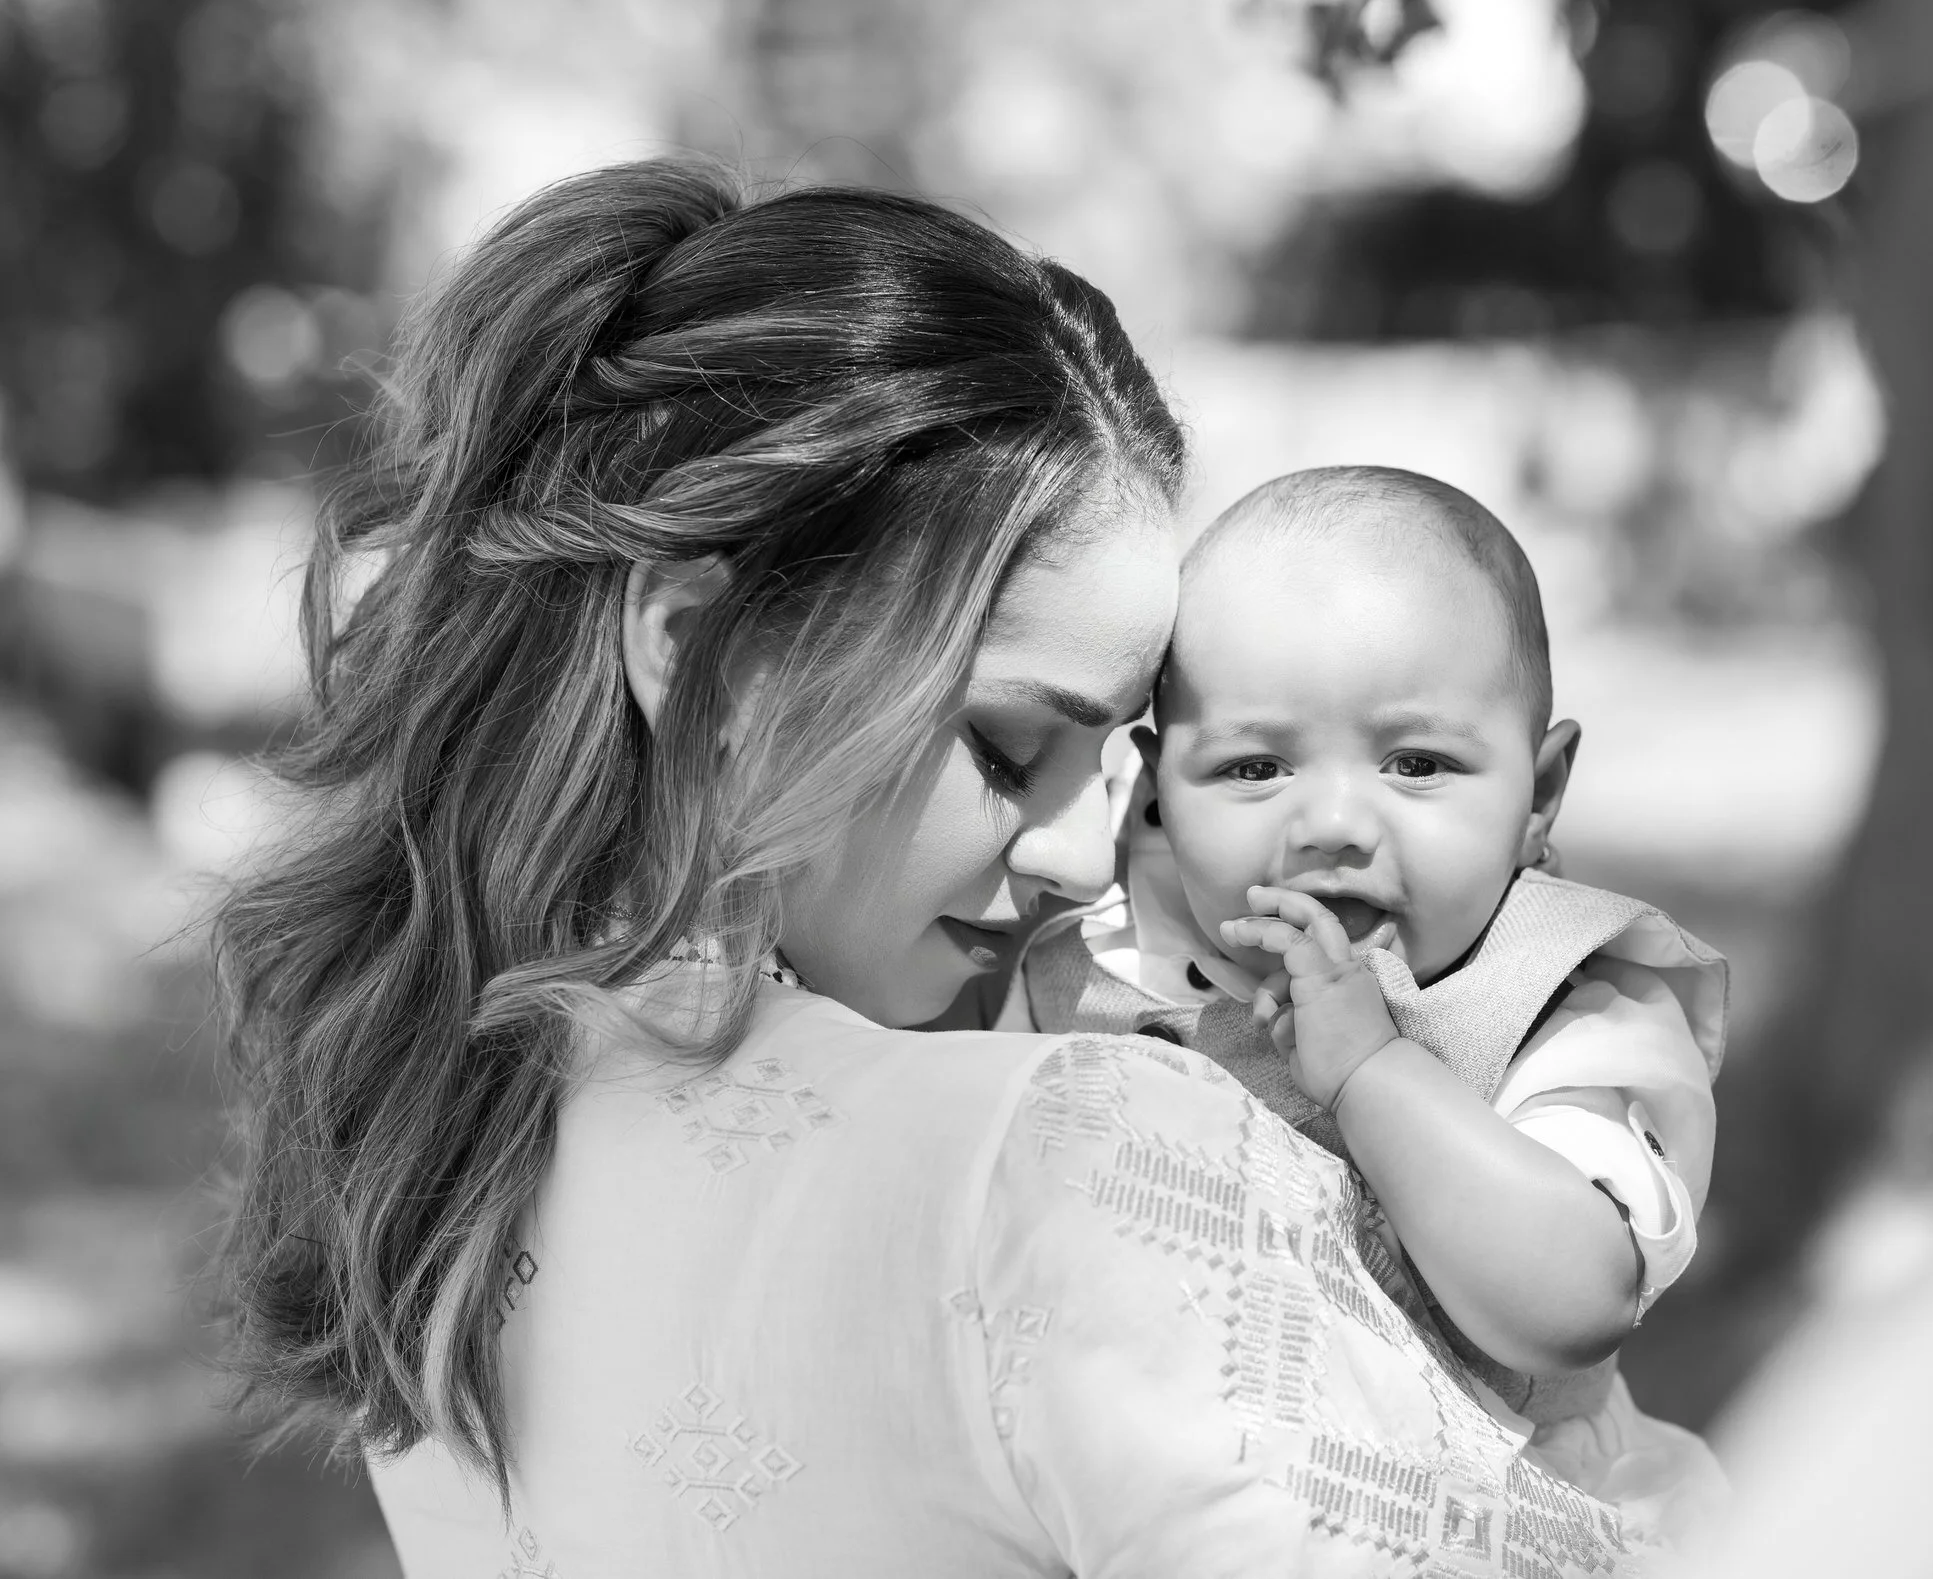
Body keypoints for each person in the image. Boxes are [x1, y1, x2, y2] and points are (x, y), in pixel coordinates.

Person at [211, 161, 1670, 1575]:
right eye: (1003, 746)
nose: (1083, 849)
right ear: (700, 652)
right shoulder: (1073, 1157)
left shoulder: (418, 1162)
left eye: (1119, 764)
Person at [1003, 467, 1730, 1533]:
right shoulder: (1085, 981)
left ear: (1541, 794)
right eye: (1254, 766)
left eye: (1417, 761)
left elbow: (1575, 1302)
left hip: (1492, 1522)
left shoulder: (1563, 1006)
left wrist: (1373, 1073)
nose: (1333, 820)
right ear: (1157, 790)